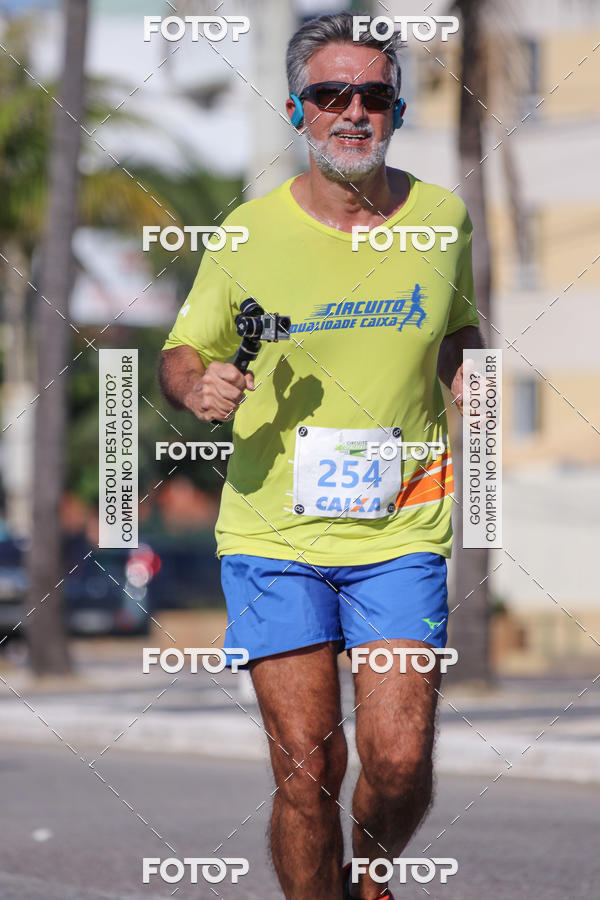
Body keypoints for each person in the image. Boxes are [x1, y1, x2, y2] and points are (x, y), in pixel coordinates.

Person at [159, 12, 483, 899]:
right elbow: (181, 352)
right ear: (299, 110)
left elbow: (458, 332)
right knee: (306, 768)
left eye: (372, 96)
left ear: (396, 113)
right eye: (330, 95)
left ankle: (370, 875)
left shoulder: (442, 221)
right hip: (274, 531)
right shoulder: (246, 235)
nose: (352, 112)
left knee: (398, 757)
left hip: (401, 524)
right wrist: (195, 388)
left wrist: (472, 383)